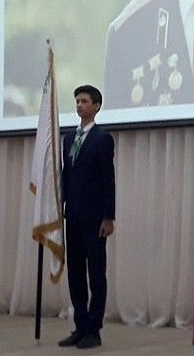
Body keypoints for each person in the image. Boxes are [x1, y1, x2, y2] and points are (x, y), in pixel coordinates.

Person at [58, 85, 116, 349]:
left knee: (96, 273)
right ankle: (80, 325)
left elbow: (108, 180)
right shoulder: (69, 139)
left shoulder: (102, 139)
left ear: (96, 106)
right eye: (77, 101)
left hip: (95, 217)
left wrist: (108, 216)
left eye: (84, 101)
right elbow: (65, 176)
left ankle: (94, 328)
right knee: (75, 272)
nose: (79, 105)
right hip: (74, 214)